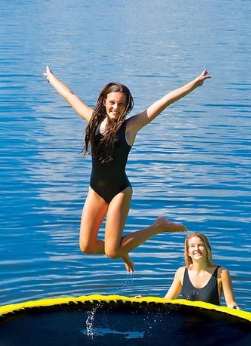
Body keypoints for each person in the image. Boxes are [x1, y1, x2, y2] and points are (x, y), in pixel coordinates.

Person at [45, 67, 210, 272]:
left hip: (119, 192)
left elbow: (165, 101)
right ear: (104, 101)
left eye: (121, 104)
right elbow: (69, 95)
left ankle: (158, 226)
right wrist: (51, 78)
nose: (116, 108)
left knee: (112, 252)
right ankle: (123, 248)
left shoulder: (130, 128)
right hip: (95, 190)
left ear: (127, 106)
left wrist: (195, 83)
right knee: (86, 246)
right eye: (112, 102)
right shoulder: (92, 120)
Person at [164, 232, 239, 309]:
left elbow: (231, 303)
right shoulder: (181, 272)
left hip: (211, 320)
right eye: (192, 246)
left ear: (207, 249)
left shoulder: (222, 273)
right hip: (186, 320)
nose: (196, 248)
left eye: (200, 245)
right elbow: (167, 300)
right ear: (188, 252)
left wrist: (236, 309)